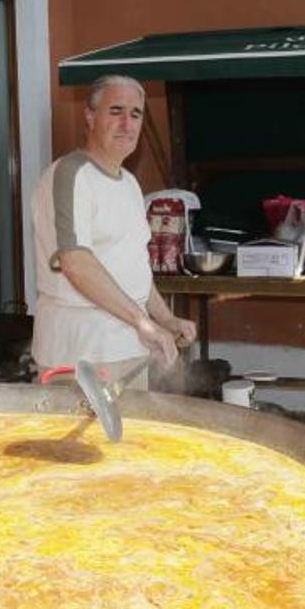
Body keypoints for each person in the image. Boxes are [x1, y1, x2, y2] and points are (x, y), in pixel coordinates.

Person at [30, 75, 197, 388]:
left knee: (131, 437)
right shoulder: (71, 175)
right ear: (90, 117)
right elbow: (76, 262)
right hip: (81, 354)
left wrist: (164, 319)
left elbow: (133, 269)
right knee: (85, 439)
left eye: (135, 114)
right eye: (116, 111)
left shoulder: (129, 184)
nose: (127, 123)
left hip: (129, 349)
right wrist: (141, 322)